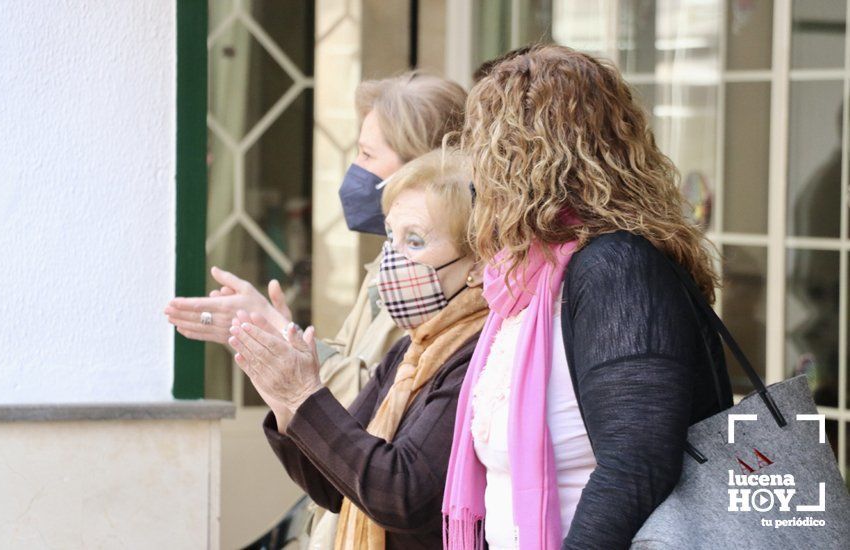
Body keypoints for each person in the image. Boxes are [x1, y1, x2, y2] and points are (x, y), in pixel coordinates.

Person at [442, 43, 733, 549]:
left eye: (484, 147)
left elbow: (637, 465)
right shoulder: (528, 282)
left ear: (520, 158)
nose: (475, 170)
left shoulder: (617, 267)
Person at [229, 150, 488, 549]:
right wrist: (284, 401)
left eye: (414, 240)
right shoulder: (409, 350)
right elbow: (334, 486)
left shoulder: (478, 354)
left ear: (477, 261)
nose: (392, 258)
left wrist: (305, 394)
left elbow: (401, 493)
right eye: (390, 237)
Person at [164, 71, 467, 406]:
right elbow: (348, 357)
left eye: (367, 155)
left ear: (419, 166)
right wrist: (274, 336)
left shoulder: (443, 272)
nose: (356, 168)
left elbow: (378, 399)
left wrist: (278, 332)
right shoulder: (390, 257)